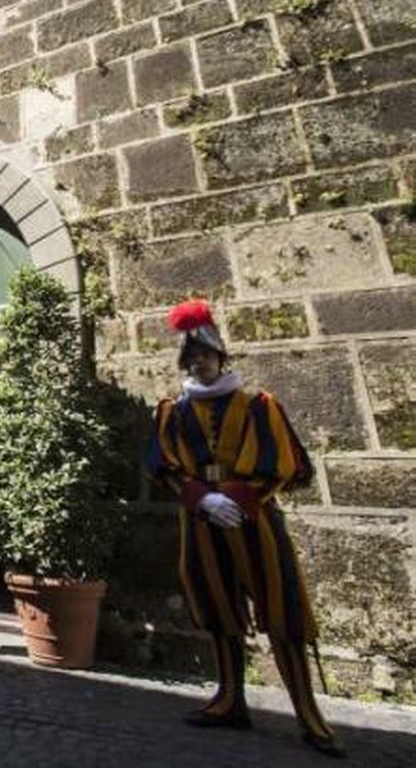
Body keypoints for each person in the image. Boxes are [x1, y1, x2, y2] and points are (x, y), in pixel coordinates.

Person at [146, 299, 344, 758]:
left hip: (253, 519)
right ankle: (230, 698)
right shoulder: (172, 413)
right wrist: (204, 500)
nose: (199, 362)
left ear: (220, 358)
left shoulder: (257, 405)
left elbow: (284, 464)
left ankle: (310, 715)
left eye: (206, 356)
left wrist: (239, 499)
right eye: (192, 357)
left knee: (282, 612)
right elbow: (165, 466)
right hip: (202, 520)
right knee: (218, 611)